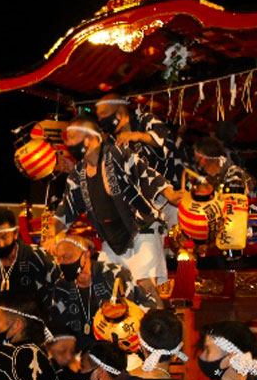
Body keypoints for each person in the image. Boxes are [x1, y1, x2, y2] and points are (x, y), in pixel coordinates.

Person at [54, 115, 183, 304]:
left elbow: (145, 174)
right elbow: (66, 208)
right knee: (106, 285)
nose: (69, 142)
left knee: (145, 289)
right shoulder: (77, 174)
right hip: (111, 240)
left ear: (89, 138)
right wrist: (53, 234)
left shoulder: (117, 154)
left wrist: (170, 194)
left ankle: (156, 329)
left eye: (73, 137)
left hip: (141, 232)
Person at [46, 233, 155, 334]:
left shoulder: (114, 274)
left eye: (68, 257)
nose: (63, 263)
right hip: (79, 348)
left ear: (85, 255)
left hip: (114, 343)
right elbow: (57, 322)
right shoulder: (61, 285)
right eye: (58, 258)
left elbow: (147, 303)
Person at [0, 207, 61, 307]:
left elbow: (59, 291)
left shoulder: (37, 257)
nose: (1, 244)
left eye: (4, 237)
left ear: (15, 233)